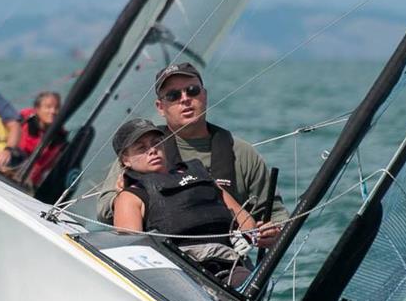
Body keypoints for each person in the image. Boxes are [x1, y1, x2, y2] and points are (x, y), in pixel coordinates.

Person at [98, 62, 288, 244]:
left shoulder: (242, 153)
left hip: (226, 258)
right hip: (163, 260)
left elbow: (276, 215)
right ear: (160, 107)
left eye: (192, 91)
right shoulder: (141, 153)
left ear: (204, 95)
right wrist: (128, 196)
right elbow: (104, 211)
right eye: (173, 96)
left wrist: (273, 232)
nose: (185, 99)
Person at [111, 118, 275, 288]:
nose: (152, 150)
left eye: (157, 143)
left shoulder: (200, 175)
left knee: (249, 283)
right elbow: (132, 255)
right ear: (126, 160)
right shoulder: (130, 197)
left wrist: (252, 236)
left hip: (227, 264)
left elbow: (246, 221)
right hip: (180, 276)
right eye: (141, 148)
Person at [16, 91, 68, 186]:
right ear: (37, 109)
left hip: (29, 183)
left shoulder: (60, 137)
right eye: (48, 107)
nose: (53, 111)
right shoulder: (23, 119)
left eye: (56, 108)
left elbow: (51, 166)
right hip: (9, 168)